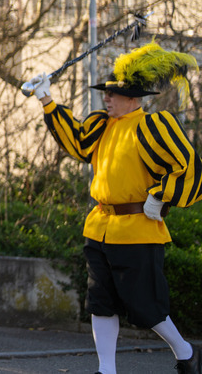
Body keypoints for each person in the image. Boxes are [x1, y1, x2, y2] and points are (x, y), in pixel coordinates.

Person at [26, 42, 201, 374]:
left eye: (113, 95)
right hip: (99, 228)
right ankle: (107, 370)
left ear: (133, 99)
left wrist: (160, 195)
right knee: (101, 303)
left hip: (138, 229)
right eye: (106, 93)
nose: (106, 98)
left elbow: (189, 166)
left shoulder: (153, 124)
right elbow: (76, 143)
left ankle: (185, 352)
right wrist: (47, 100)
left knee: (146, 307)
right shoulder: (102, 125)